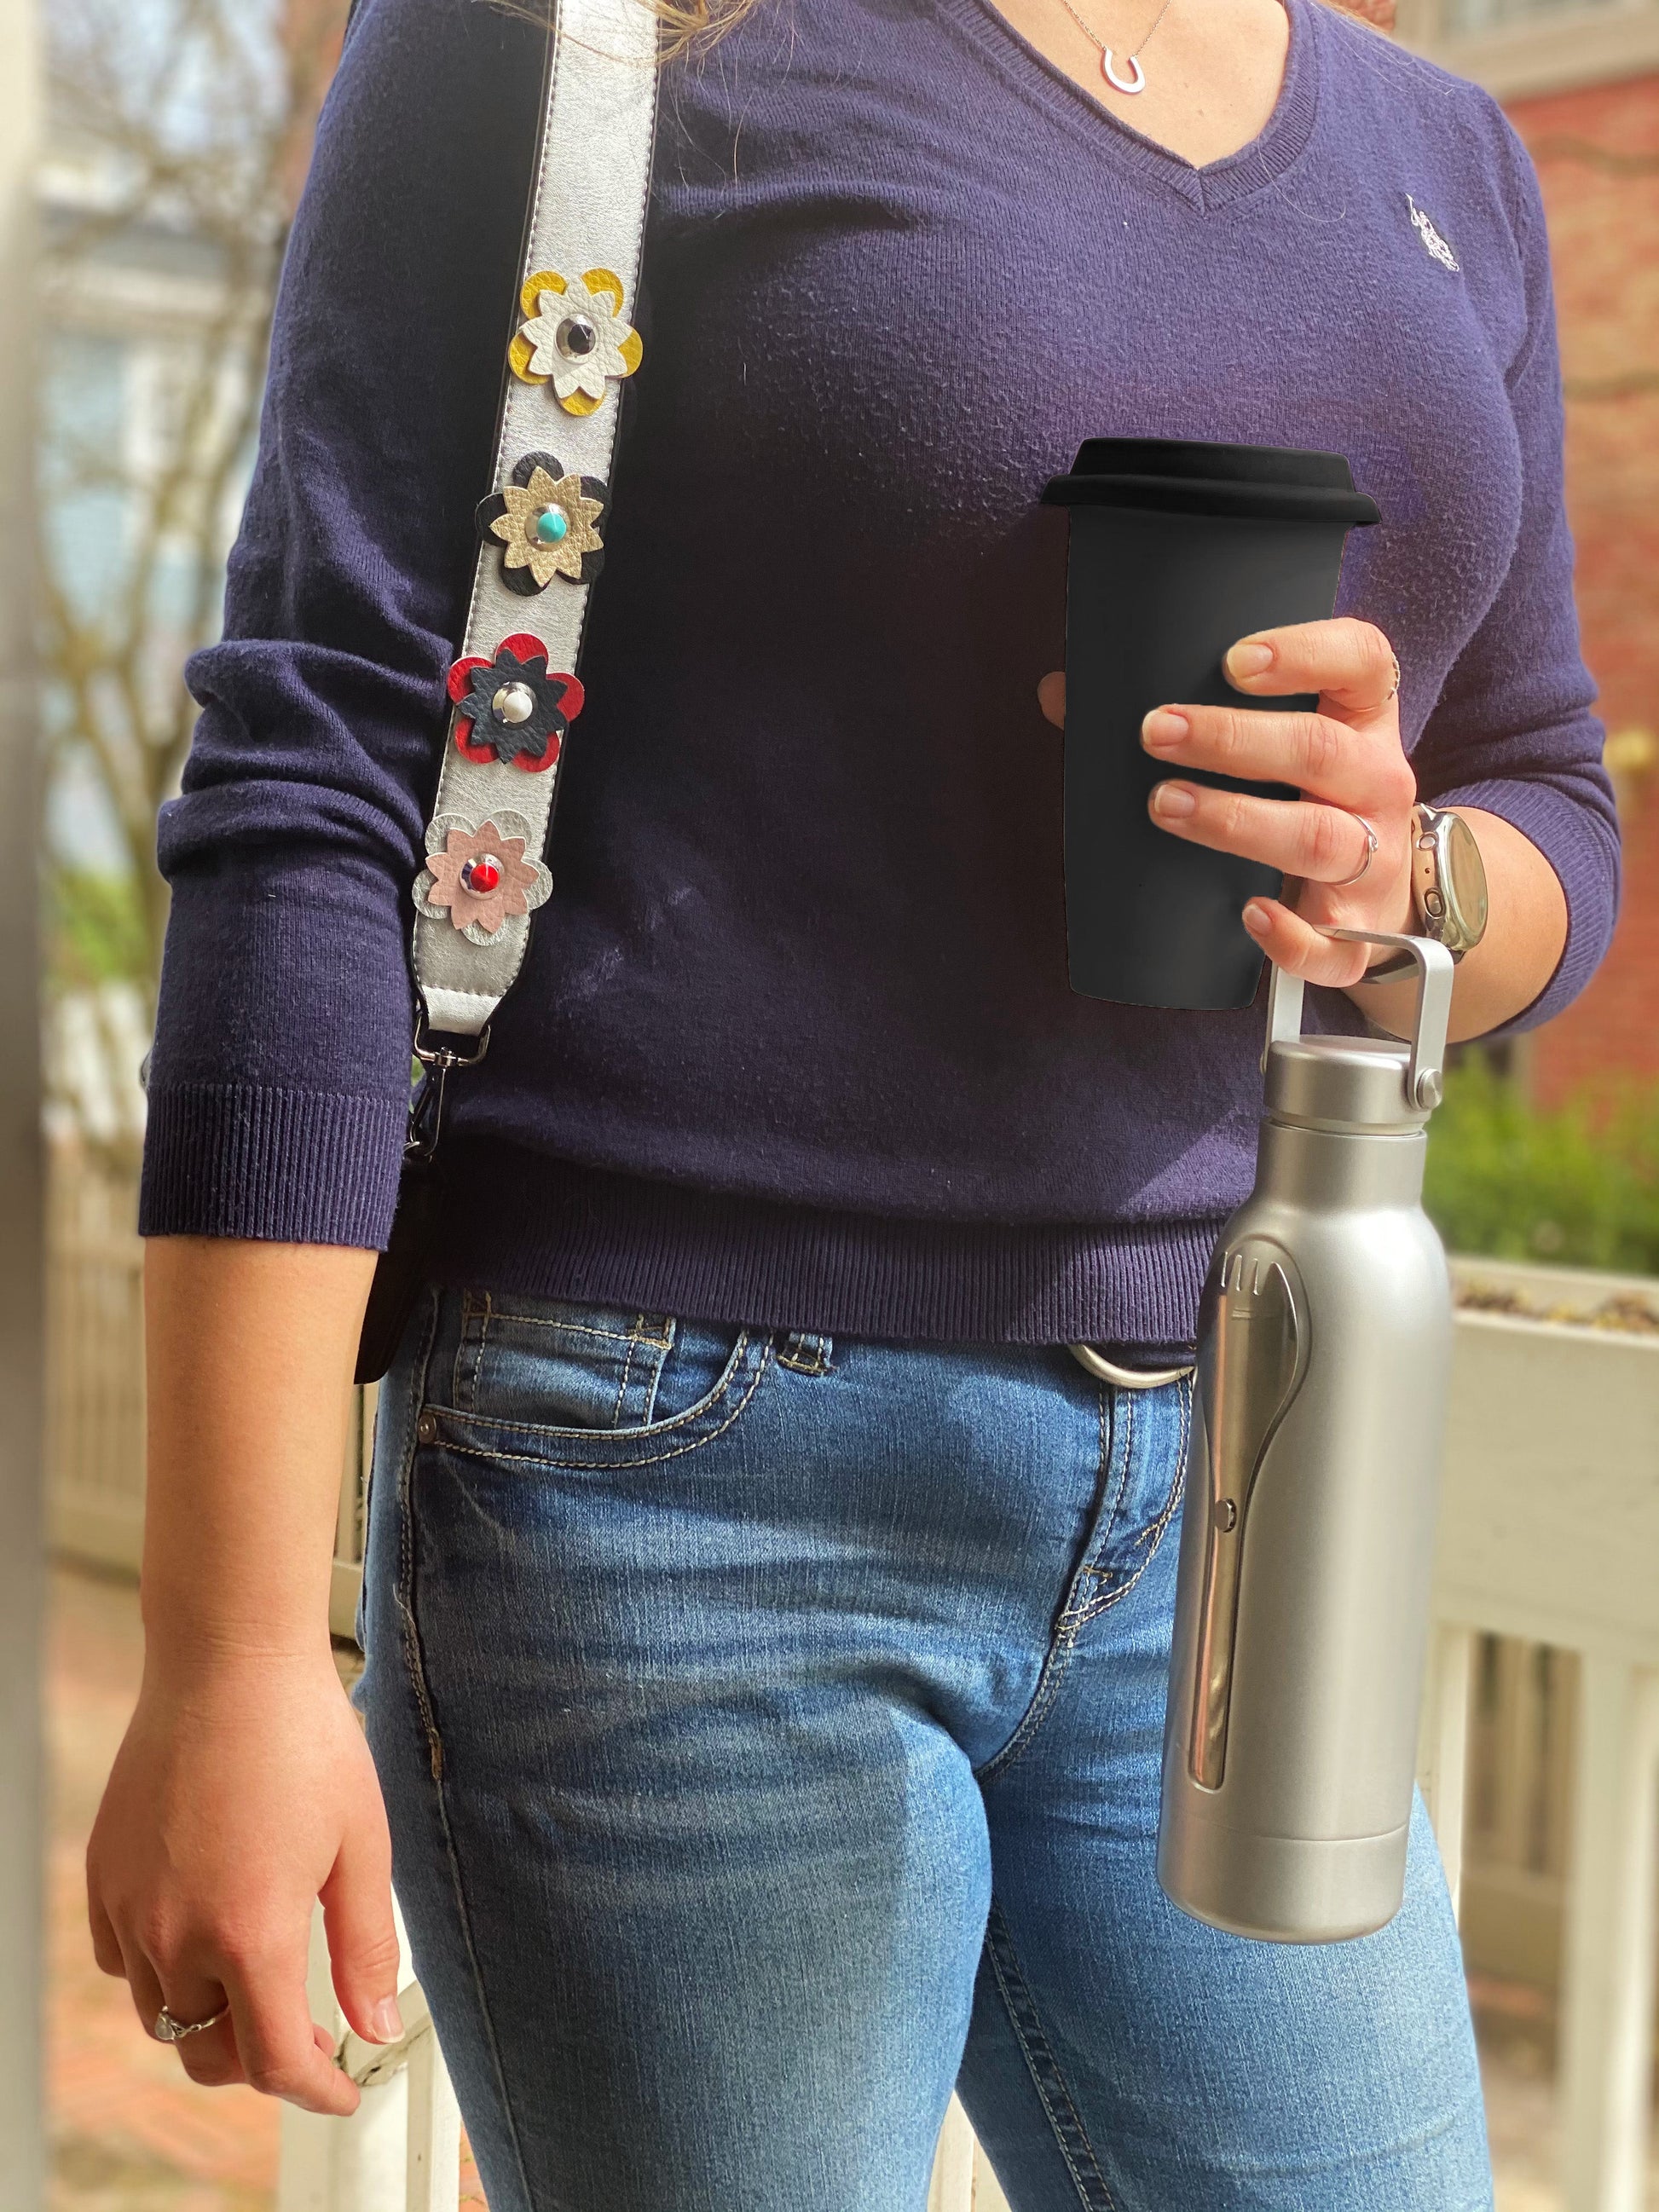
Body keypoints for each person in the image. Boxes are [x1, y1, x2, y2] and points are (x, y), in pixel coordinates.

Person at [87, 0, 1617, 2203]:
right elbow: (325, 759)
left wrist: (1408, 875)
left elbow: (1541, 783)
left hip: (1230, 1494)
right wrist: (230, 1648)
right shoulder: (597, 34)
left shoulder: (1440, 151)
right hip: (678, 1491)